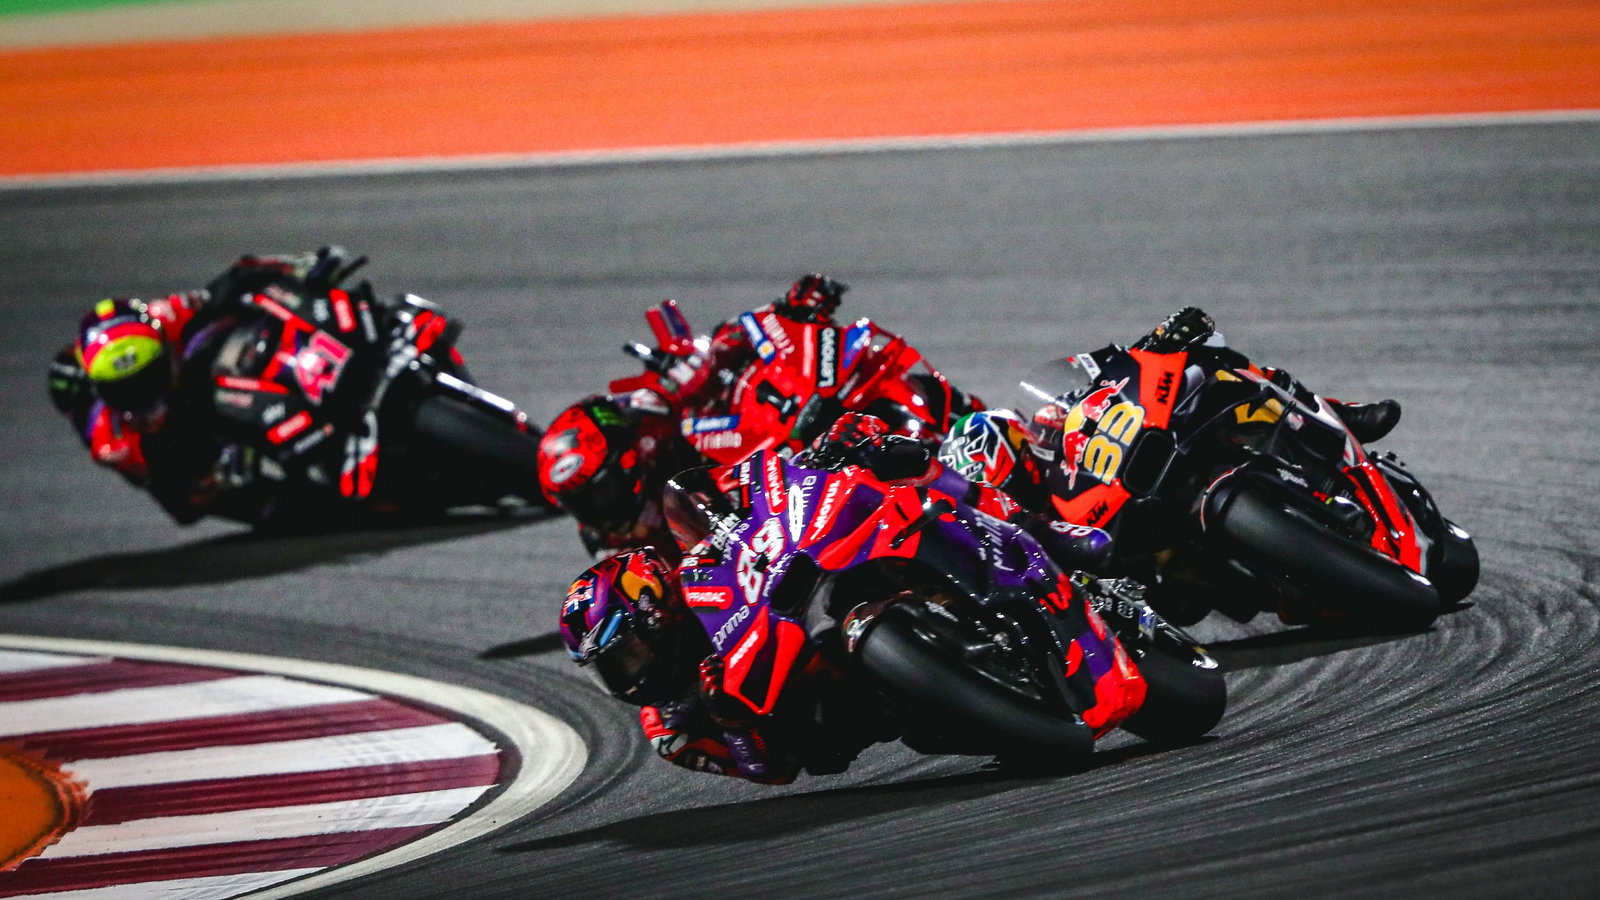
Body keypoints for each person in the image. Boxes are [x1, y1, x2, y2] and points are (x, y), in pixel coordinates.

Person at [558, 412, 1117, 783]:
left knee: (893, 466)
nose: (627, 675)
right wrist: (731, 720)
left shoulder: (701, 574)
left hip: (806, 602)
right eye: (612, 667)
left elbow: (752, 499)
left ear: (656, 610)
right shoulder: (668, 727)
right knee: (904, 737)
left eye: (626, 653)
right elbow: (766, 769)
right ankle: (995, 706)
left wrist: (821, 459)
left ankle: (1040, 529)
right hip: (834, 718)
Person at [540, 273, 933, 559]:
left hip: (782, 468)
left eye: (598, 495)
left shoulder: (652, 418)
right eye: (582, 504)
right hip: (760, 563)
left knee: (868, 388)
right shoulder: (610, 543)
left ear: (625, 458)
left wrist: (788, 311)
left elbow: (715, 352)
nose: (598, 513)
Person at [48, 247, 388, 525]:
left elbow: (236, 279)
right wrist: (212, 479)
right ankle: (349, 497)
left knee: (249, 306)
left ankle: (355, 332)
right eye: (124, 390)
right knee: (240, 504)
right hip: (181, 448)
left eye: (146, 379)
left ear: (164, 350)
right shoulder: (113, 442)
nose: (140, 395)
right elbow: (181, 499)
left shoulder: (168, 316)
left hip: (203, 380)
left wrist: (300, 270)